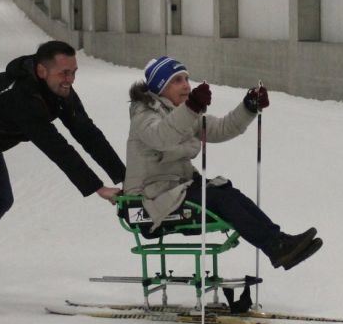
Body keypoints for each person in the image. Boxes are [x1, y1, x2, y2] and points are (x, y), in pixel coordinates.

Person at [0, 40, 125, 309]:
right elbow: (56, 147)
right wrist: (98, 187)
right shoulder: (21, 96)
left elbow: (87, 132)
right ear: (42, 71)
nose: (70, 79)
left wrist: (125, 176)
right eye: (64, 73)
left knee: (0, 200)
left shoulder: (61, 92)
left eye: (74, 72)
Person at [124, 56, 322, 271]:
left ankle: (279, 243)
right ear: (160, 86)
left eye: (186, 79)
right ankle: (277, 246)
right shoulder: (144, 115)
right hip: (149, 202)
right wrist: (191, 107)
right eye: (177, 80)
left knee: (226, 191)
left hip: (175, 192)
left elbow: (220, 129)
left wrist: (248, 107)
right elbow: (161, 137)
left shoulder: (177, 112)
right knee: (220, 197)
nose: (186, 85)